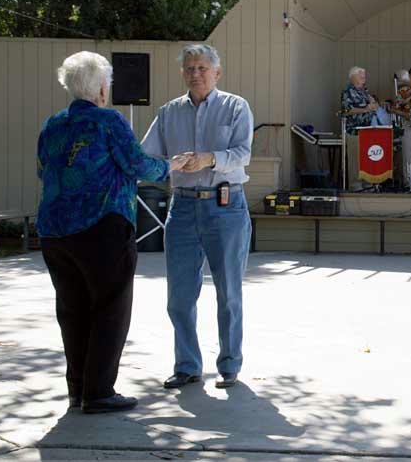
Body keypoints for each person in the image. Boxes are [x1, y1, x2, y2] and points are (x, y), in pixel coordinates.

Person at [37, 51, 187, 414]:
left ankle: (78, 389)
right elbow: (138, 164)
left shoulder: (53, 124)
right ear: (102, 87)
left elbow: (44, 172)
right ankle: (99, 391)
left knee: (72, 310)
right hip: (102, 227)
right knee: (109, 309)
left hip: (55, 231)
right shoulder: (109, 121)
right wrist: (171, 165)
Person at [141, 44, 254, 390]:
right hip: (183, 206)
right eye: (190, 68)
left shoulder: (236, 107)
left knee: (229, 292)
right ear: (182, 74)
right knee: (179, 295)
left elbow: (242, 154)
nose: (196, 73)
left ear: (217, 73)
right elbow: (146, 156)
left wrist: (208, 159)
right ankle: (187, 365)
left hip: (225, 206)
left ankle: (230, 365)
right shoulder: (168, 112)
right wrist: (170, 164)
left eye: (203, 68)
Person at [340, 66, 381, 190]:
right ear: (353, 77)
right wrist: (365, 109)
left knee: (367, 158)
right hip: (355, 131)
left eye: (364, 76)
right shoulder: (347, 91)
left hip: (368, 130)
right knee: (355, 160)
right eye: (361, 75)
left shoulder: (364, 91)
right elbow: (346, 110)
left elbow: (374, 105)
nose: (364, 78)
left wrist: (374, 105)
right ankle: (356, 185)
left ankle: (367, 183)